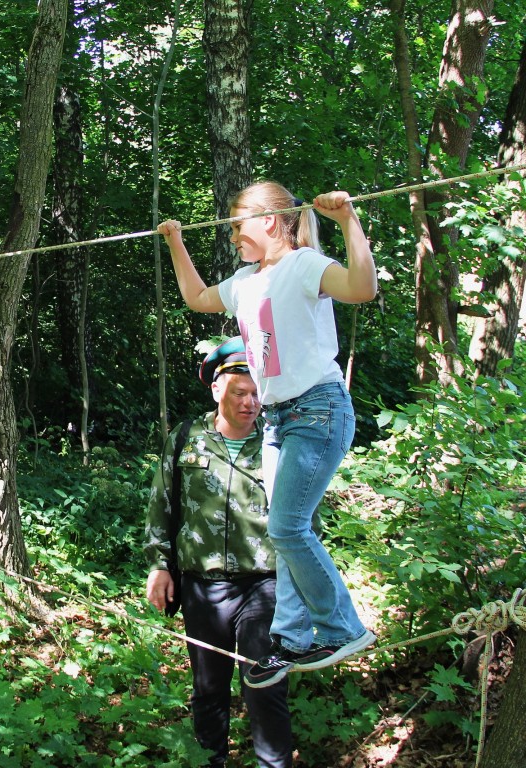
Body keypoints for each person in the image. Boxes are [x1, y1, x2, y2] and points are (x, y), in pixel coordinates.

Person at [158, 182, 377, 689]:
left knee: (287, 529)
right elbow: (195, 297)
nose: (234, 235)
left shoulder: (305, 265)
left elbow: (362, 288)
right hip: (278, 418)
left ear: (272, 222)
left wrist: (348, 221)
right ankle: (294, 637)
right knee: (284, 531)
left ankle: (342, 627)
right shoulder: (243, 282)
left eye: (239, 226)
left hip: (318, 411)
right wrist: (174, 241)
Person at [145, 337, 292, 768]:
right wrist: (159, 565)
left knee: (265, 682)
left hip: (264, 584)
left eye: (255, 394)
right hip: (203, 587)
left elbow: (303, 516)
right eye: (239, 393)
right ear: (216, 390)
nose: (250, 403)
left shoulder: (279, 442)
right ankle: (211, 761)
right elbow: (162, 504)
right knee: (208, 688)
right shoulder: (186, 438)